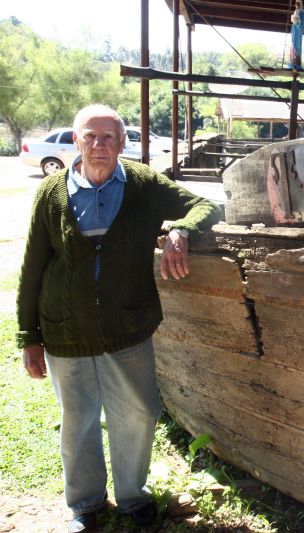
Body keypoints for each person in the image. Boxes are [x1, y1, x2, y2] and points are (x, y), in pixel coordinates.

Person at [16, 104, 222, 533]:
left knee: (140, 412)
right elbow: (33, 266)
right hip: (65, 329)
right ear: (76, 141)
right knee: (78, 419)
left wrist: (179, 231)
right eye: (90, 136)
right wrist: (28, 336)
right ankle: (86, 504)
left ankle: (132, 496)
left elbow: (204, 203)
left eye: (109, 137)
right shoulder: (52, 192)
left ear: (122, 143)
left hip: (127, 325)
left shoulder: (143, 185)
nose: (99, 145)